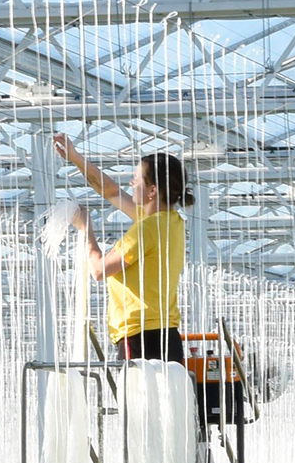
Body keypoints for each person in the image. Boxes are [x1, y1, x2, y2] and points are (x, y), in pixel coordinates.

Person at [52, 134, 192, 363]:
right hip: (167, 334)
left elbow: (99, 270)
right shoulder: (171, 222)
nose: (131, 183)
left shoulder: (146, 228)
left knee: (138, 399)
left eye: (136, 178)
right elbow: (111, 192)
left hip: (140, 335)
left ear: (152, 190)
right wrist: (75, 158)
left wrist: (86, 229)